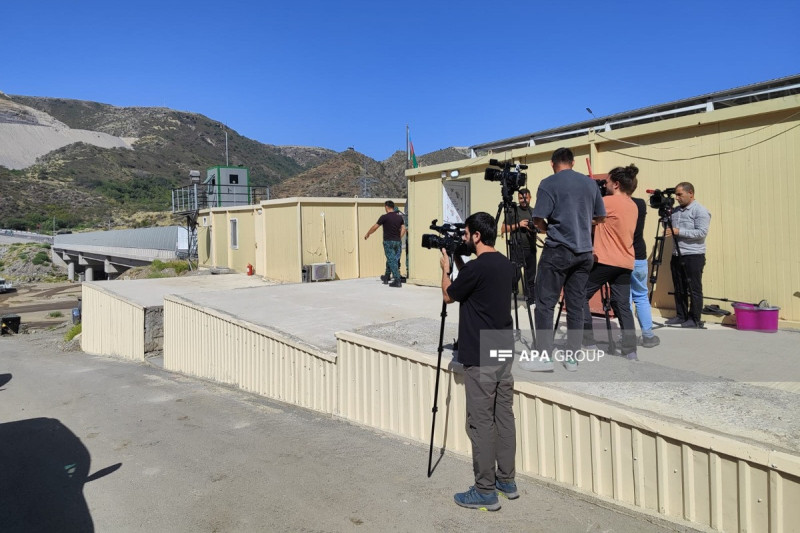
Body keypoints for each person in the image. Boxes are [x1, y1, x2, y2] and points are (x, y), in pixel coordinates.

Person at [440, 212, 517, 511]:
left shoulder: (475, 268)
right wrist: (461, 264)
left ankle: (485, 490)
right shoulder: (506, 265)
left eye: (466, 234)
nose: (463, 239)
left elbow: (449, 295)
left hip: (481, 355)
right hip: (502, 349)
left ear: (476, 236)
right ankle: (506, 481)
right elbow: (476, 286)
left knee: (481, 422)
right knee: (504, 416)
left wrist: (446, 269)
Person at [526, 148, 606, 372]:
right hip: (584, 252)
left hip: (558, 250)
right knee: (576, 305)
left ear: (552, 163)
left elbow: (538, 218)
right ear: (573, 162)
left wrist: (547, 229)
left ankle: (544, 358)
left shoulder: (548, 183)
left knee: (545, 304)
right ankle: (572, 359)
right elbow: (601, 217)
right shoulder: (590, 184)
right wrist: (582, 222)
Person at [582, 165, 640, 360]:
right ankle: (630, 350)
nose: (604, 185)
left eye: (606, 182)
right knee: (622, 304)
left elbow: (585, 215)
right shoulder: (633, 205)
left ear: (616, 184)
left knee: (579, 294)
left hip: (606, 260)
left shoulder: (607, 202)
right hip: (625, 262)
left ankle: (588, 340)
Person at [665, 182, 711, 328]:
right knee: (679, 287)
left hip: (693, 255)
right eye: (676, 195)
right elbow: (669, 227)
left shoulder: (700, 210)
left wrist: (679, 231)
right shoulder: (676, 211)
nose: (677, 198)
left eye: (680, 194)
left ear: (690, 193)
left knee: (693, 288)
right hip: (677, 254)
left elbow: (702, 232)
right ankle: (681, 315)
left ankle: (694, 319)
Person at [630, 194, 660, 347]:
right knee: (641, 295)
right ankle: (648, 335)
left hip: (623, 255)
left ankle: (627, 337)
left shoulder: (611, 203)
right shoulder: (640, 203)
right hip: (639, 255)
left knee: (625, 299)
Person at [501, 188, 537, 306]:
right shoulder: (513, 211)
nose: (523, 200)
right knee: (514, 275)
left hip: (531, 248)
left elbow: (542, 229)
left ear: (530, 198)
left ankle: (531, 301)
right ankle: (509, 299)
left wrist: (534, 228)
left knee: (530, 276)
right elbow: (503, 229)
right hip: (516, 248)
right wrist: (519, 225)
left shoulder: (534, 212)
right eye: (521, 198)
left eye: (526, 198)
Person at [364, 201, 406, 287]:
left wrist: (368, 233)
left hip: (388, 242)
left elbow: (375, 227)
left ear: (386, 207)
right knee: (391, 258)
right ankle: (386, 276)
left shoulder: (384, 217)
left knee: (391, 259)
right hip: (397, 241)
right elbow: (404, 229)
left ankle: (397, 280)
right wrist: (399, 237)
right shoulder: (399, 218)